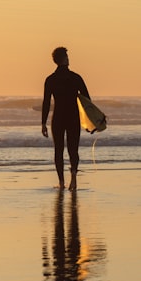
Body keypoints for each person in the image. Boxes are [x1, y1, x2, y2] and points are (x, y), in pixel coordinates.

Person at [41, 46, 90, 191]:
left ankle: (61, 182)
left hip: (58, 118)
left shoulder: (50, 80)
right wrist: (90, 121)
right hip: (73, 117)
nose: (69, 59)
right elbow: (87, 100)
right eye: (67, 57)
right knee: (73, 149)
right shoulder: (75, 78)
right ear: (65, 59)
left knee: (59, 150)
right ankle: (73, 178)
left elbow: (46, 102)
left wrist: (43, 123)